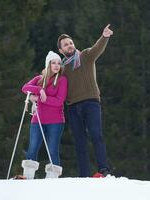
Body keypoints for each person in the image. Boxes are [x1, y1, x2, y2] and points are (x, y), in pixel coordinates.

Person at [57, 24, 113, 177]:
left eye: (70, 43)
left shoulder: (86, 56)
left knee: (96, 135)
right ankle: (84, 175)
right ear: (61, 51)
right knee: (80, 142)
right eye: (65, 45)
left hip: (91, 103)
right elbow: (52, 83)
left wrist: (105, 36)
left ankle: (103, 169)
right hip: (73, 107)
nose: (69, 45)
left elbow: (97, 48)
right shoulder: (62, 69)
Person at [21, 51, 67, 173]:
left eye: (59, 63)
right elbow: (25, 88)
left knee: (52, 149)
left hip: (55, 121)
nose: (57, 65)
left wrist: (38, 98)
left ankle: (52, 178)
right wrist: (39, 89)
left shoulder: (62, 80)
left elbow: (59, 101)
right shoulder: (38, 79)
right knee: (33, 147)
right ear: (48, 65)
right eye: (54, 63)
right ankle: (28, 176)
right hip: (38, 119)